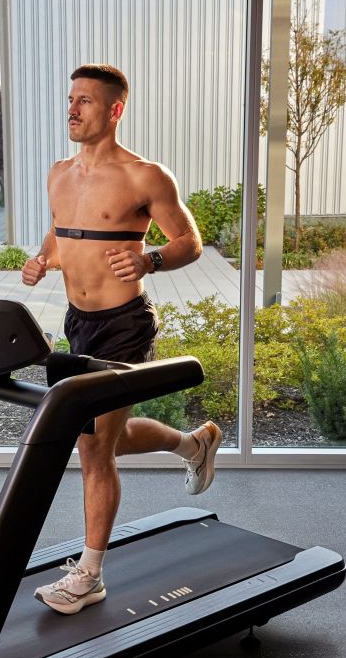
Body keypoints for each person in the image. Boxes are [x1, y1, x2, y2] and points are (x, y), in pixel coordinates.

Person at [21, 63, 222, 615]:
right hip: (77, 323)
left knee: (91, 450)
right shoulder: (59, 173)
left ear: (114, 110)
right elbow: (62, 236)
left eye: (85, 101)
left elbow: (191, 241)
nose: (72, 109)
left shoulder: (145, 176)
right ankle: (193, 444)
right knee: (97, 439)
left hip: (124, 325)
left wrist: (149, 258)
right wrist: (43, 260)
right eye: (70, 99)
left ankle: (89, 576)